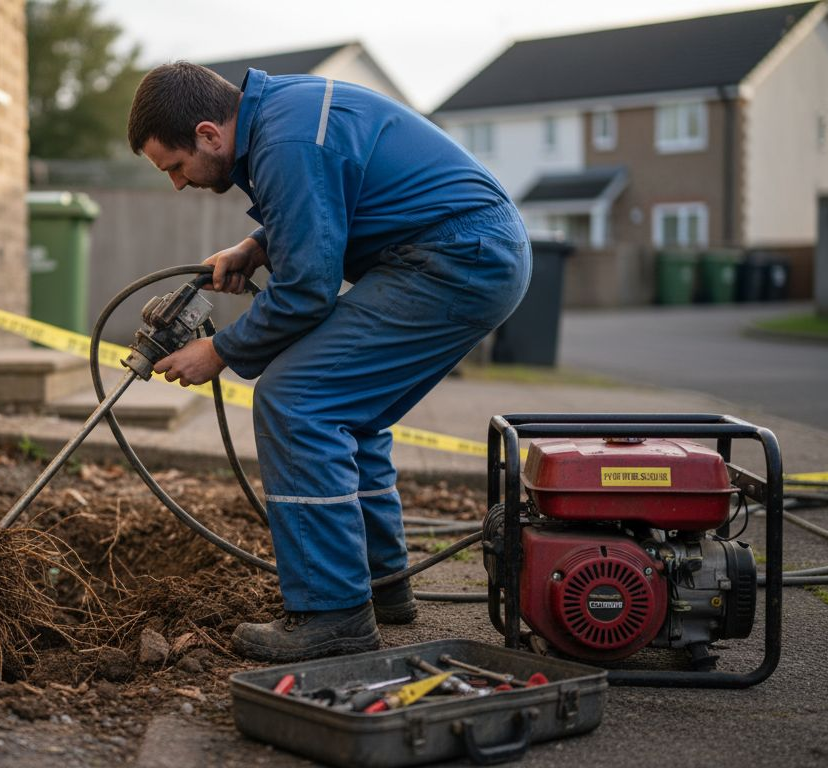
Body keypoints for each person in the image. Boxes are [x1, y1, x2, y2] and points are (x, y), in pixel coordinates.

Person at [126, 62, 531, 662]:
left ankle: (334, 612)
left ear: (209, 133)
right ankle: (379, 583)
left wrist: (219, 350)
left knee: (296, 400)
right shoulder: (283, 114)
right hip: (466, 252)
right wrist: (255, 246)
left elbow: (308, 289)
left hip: (454, 258)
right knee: (350, 412)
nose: (178, 185)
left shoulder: (286, 139)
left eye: (176, 167)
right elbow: (334, 198)